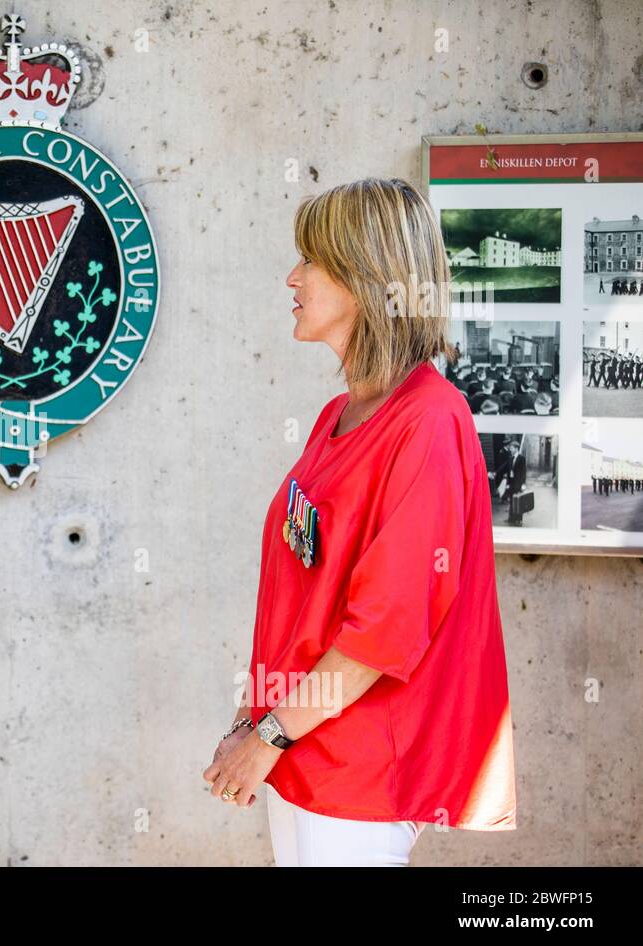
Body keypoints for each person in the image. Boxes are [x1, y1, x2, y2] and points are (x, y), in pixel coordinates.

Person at [202, 178, 517, 866]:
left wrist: (269, 736)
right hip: (301, 751)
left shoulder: (429, 422)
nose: (293, 276)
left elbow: (385, 631)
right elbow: (302, 594)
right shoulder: (334, 419)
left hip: (361, 770)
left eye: (310, 260)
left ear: (365, 280)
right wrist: (252, 718)